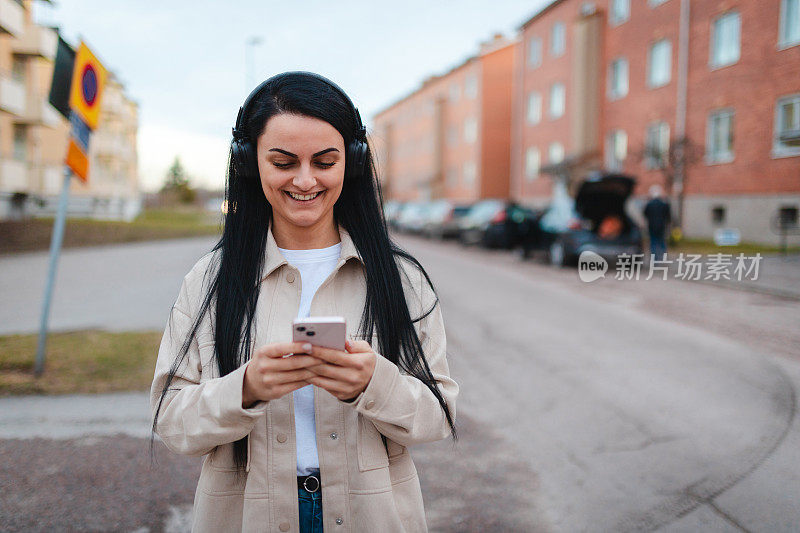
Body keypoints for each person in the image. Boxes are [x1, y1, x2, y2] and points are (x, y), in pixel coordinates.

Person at [149, 71, 458, 533]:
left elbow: (439, 416)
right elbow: (171, 422)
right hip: (246, 515)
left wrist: (375, 382)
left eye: (325, 161)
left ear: (350, 164)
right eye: (284, 162)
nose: (305, 180)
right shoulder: (209, 280)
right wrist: (246, 388)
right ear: (251, 163)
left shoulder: (401, 279)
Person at [643, 184, 672, 260]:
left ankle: (655, 260)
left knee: (653, 242)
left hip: (651, 226)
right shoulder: (664, 204)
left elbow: (645, 213)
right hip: (662, 226)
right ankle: (664, 258)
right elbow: (668, 215)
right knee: (662, 242)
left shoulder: (649, 204)